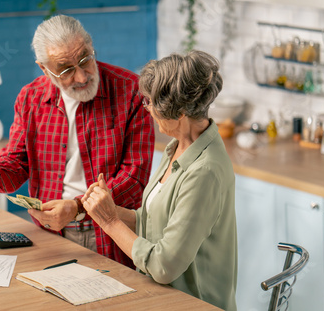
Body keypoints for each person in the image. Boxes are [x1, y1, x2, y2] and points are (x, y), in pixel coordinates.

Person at [0, 15, 154, 268]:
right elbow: (15, 170)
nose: (82, 77)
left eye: (86, 60)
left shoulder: (130, 90)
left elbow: (135, 177)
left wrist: (77, 208)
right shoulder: (30, 99)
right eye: (65, 70)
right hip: (50, 236)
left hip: (114, 233)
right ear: (44, 68)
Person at [81, 51, 237, 310]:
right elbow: (152, 221)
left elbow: (164, 266)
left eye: (152, 103)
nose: (148, 109)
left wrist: (110, 222)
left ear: (179, 114)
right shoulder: (178, 147)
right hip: (161, 299)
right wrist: (108, 211)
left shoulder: (204, 171)